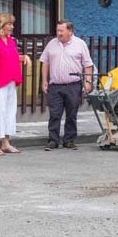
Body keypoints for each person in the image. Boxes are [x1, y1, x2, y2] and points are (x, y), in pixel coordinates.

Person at [0, 12, 32, 156]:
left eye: (12, 24)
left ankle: (5, 143)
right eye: (9, 24)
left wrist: (24, 57)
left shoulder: (10, 40)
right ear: (1, 25)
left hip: (10, 80)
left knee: (10, 112)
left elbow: (12, 57)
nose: (11, 27)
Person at [40, 20, 93, 150]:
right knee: (55, 114)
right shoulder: (52, 44)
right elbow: (45, 62)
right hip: (55, 85)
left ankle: (69, 140)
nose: (58, 33)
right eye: (57, 31)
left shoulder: (80, 44)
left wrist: (88, 82)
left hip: (73, 85)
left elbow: (87, 65)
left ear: (70, 31)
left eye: (61, 31)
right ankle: (53, 140)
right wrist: (44, 81)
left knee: (71, 113)